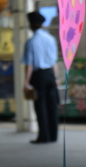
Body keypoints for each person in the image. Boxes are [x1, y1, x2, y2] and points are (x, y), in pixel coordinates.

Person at [23, 10, 59, 144]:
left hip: (38, 76)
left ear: (31, 25)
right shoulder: (51, 39)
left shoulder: (30, 42)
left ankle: (44, 136)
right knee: (52, 106)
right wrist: (56, 78)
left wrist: (26, 83)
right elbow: (54, 61)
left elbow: (29, 65)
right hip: (50, 74)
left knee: (40, 107)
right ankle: (53, 135)